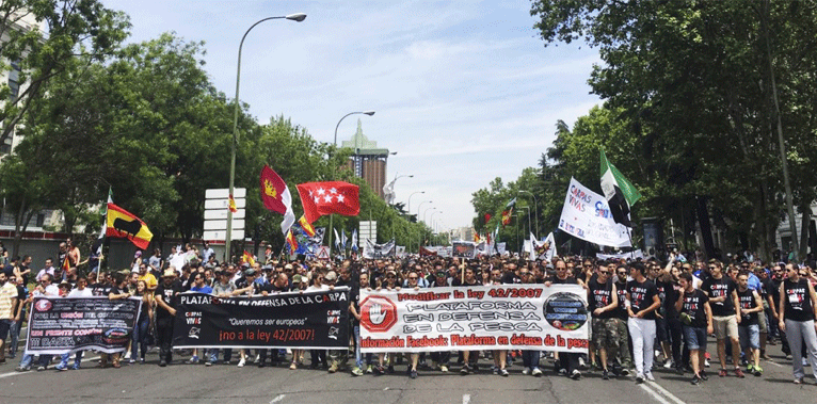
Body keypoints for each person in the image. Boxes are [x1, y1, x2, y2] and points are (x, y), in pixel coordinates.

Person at [701, 260, 744, 378]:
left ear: (720, 268)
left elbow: (735, 297)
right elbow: (703, 298)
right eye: (709, 268)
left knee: (735, 340)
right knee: (721, 341)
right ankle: (723, 367)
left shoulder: (729, 281)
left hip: (730, 314)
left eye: (713, 268)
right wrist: (716, 299)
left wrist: (738, 313)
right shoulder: (707, 282)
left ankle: (736, 366)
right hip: (716, 315)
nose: (711, 270)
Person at [547, 258, 587, 380]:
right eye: (558, 269)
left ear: (566, 269)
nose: (560, 271)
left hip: (571, 316)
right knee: (560, 342)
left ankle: (573, 368)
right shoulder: (551, 281)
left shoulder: (573, 282)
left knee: (571, 341)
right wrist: (546, 286)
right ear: (555, 270)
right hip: (556, 317)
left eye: (563, 269)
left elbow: (584, 293)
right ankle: (563, 366)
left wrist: (584, 287)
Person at [778, 263, 817, 384]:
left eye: (788, 270)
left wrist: (816, 320)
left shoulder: (806, 282)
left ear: (796, 271)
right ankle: (798, 374)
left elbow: (815, 302)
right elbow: (782, 303)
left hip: (807, 319)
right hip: (791, 319)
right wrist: (781, 319)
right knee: (795, 349)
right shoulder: (785, 284)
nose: (786, 272)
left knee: (813, 348)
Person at [625, 261, 661, 383]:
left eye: (632, 270)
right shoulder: (630, 284)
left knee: (649, 345)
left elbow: (657, 302)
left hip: (648, 320)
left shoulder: (650, 285)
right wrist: (629, 309)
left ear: (638, 271)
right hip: (634, 319)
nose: (630, 272)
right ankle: (639, 370)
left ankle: (647, 369)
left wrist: (644, 311)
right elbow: (627, 298)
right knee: (637, 344)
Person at [677, 272, 713, 385]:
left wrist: (710, 324)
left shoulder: (700, 294)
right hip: (688, 325)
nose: (681, 284)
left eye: (683, 282)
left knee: (702, 349)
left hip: (701, 324)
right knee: (693, 349)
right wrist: (681, 295)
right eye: (680, 282)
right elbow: (678, 308)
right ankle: (696, 373)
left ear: (689, 282)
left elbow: (708, 308)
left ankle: (702, 370)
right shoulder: (679, 294)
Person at [586, 260, 619, 380]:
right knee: (600, 343)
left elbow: (615, 302)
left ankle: (610, 361)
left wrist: (604, 309)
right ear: (597, 272)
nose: (605, 275)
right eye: (603, 272)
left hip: (609, 316)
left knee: (615, 341)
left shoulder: (611, 284)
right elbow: (585, 295)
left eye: (607, 273)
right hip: (597, 319)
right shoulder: (592, 283)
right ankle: (605, 369)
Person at [736, 270, 764, 376]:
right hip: (741, 322)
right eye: (742, 280)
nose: (745, 282)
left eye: (746, 280)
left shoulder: (753, 292)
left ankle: (756, 365)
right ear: (738, 281)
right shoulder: (735, 293)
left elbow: (760, 307)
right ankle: (749, 363)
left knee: (755, 344)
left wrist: (749, 310)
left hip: (752, 321)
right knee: (745, 344)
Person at [155, 267, 182, 367]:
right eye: (166, 278)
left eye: (170, 278)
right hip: (162, 315)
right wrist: (169, 309)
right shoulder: (160, 287)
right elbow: (158, 300)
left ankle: (164, 357)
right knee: (161, 336)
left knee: (169, 336)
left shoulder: (177, 286)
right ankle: (165, 355)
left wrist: (180, 294)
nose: (168, 280)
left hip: (172, 317)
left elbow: (183, 296)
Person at [131, 280, 153, 364]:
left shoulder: (148, 296)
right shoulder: (134, 295)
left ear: (145, 287)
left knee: (143, 338)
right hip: (136, 319)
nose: (140, 287)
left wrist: (151, 322)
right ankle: (133, 356)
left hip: (144, 318)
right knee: (134, 338)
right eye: (138, 286)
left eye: (141, 286)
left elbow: (150, 309)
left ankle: (142, 356)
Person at [0, 271, 18, 364]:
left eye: (3, 277)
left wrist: (12, 313)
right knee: (1, 338)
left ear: (6, 277)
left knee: (1, 337)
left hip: (6, 315)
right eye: (0, 277)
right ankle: (2, 356)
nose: (1, 278)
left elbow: (14, 300)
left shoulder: (11, 287)